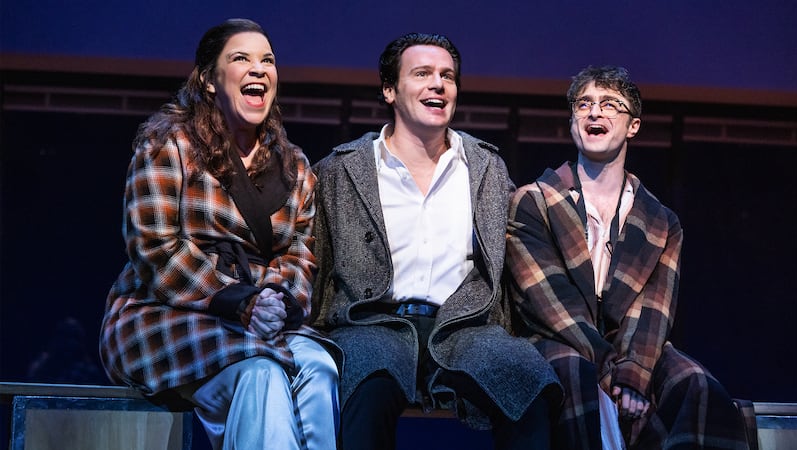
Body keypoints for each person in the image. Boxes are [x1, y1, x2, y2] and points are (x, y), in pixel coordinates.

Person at [311, 32, 561, 450]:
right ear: (389, 90)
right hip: (373, 323)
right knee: (366, 386)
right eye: (422, 73)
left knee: (528, 382)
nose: (438, 84)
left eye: (447, 76)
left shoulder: (486, 167)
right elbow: (316, 259)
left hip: (464, 326)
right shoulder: (341, 169)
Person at [98, 18, 340, 450]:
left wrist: (272, 302)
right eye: (241, 58)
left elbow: (300, 255)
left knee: (319, 368)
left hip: (262, 316)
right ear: (210, 79)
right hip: (169, 309)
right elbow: (154, 248)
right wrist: (237, 300)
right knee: (261, 372)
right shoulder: (167, 144)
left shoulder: (295, 165)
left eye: (268, 60)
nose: (258, 69)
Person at [506, 65, 749, 449]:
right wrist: (610, 370)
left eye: (609, 105)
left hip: (629, 346)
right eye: (583, 104)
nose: (594, 112)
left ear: (633, 126)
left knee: (695, 384)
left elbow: (654, 308)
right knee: (572, 372)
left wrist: (634, 370)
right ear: (572, 121)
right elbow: (547, 300)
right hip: (557, 339)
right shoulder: (533, 201)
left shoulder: (659, 220)